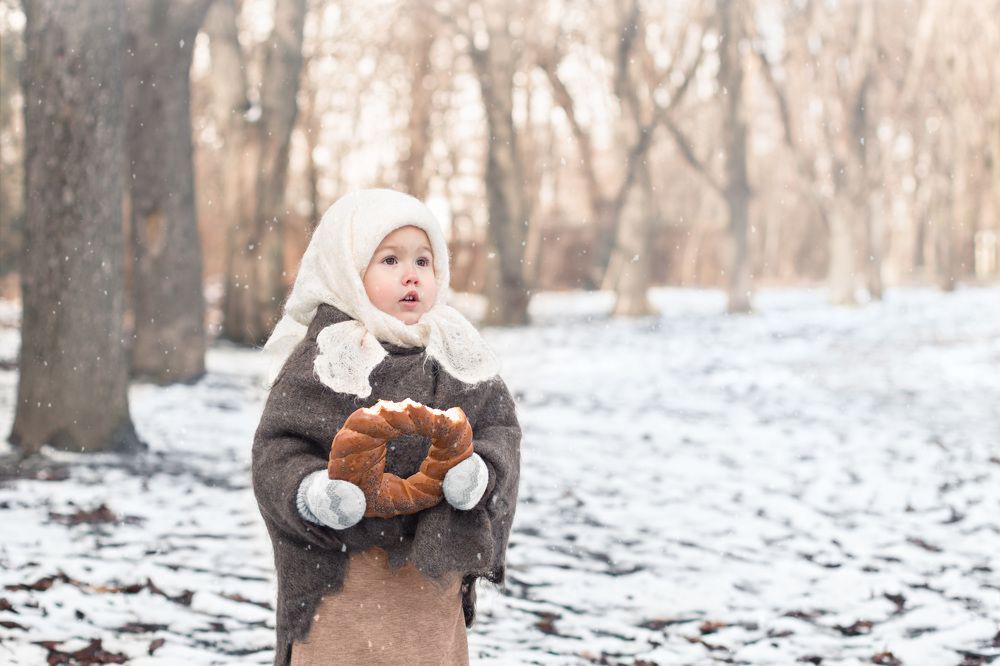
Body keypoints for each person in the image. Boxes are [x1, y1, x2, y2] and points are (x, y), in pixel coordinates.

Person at [252, 188, 521, 666]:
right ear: (348, 271)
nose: (411, 274)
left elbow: (498, 427)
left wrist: (479, 474)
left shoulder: (458, 352)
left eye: (424, 260)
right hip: (341, 572)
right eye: (390, 260)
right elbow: (279, 447)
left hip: (431, 574)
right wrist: (313, 493)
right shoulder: (326, 356)